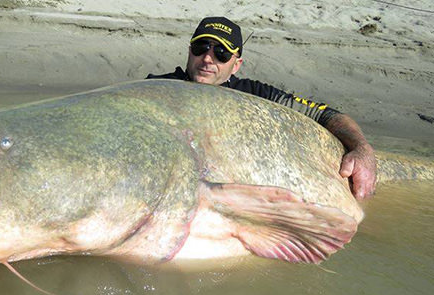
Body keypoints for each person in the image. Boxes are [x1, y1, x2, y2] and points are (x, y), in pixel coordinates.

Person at [147, 16, 376, 200]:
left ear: (236, 65)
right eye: (201, 47)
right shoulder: (155, 88)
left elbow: (324, 114)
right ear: (190, 51)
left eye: (221, 53)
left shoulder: (256, 95)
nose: (208, 58)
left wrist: (362, 149)